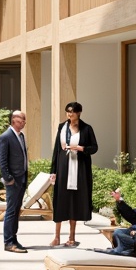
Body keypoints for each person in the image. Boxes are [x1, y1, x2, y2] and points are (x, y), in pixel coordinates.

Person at [49, 101, 99, 248]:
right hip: (63, 168)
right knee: (60, 200)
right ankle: (57, 237)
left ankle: (72, 237)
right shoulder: (61, 127)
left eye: (72, 112)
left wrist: (81, 148)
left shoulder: (87, 128)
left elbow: (94, 147)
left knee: (74, 201)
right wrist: (53, 171)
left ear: (79, 113)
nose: (70, 114)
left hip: (80, 169)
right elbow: (56, 150)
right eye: (68, 111)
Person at [0, 110, 29, 253]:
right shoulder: (6, 137)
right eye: (21, 119)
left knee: (16, 211)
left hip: (21, 178)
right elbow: (2, 160)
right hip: (13, 181)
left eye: (24, 120)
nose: (24, 122)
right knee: (11, 211)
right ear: (14, 119)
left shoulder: (21, 136)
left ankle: (14, 239)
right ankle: (8, 242)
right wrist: (8, 179)